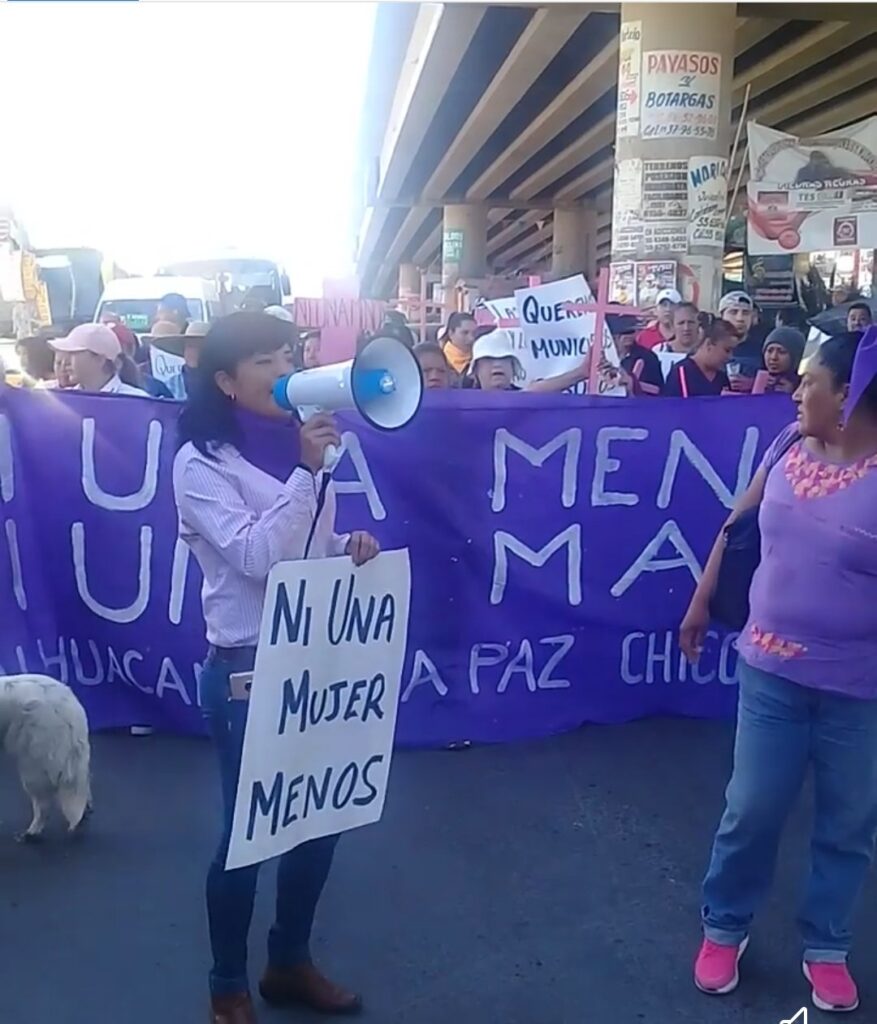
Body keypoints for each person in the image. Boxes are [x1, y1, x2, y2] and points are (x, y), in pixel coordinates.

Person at [173, 312, 379, 1024]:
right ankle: (226, 984)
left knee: (317, 822)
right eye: (263, 359)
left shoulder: (306, 449)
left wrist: (349, 546)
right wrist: (303, 472)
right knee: (246, 835)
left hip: (310, 659)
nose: (282, 366)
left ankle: (289, 962)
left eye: (287, 353)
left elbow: (305, 553)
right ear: (227, 381)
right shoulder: (200, 463)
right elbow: (259, 560)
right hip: (244, 671)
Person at [680, 330, 877, 1014]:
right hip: (769, 675)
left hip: (859, 692)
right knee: (751, 809)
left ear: (848, 397)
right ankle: (722, 926)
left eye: (809, 383)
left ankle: (825, 946)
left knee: (847, 826)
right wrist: (702, 597)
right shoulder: (786, 447)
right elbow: (738, 524)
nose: (795, 392)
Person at [49, 324, 147, 396]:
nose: (66, 362)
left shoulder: (136, 400)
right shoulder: (64, 399)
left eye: (73, 353)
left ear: (100, 359)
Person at [662, 320, 736, 397]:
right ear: (709, 344)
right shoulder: (680, 372)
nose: (730, 356)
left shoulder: (722, 378)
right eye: (727, 350)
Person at [719, 291, 768, 392]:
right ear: (722, 316)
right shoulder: (710, 348)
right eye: (733, 312)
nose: (740, 318)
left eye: (745, 313)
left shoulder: (764, 350)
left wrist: (754, 383)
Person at [150, 321, 211, 400]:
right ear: (183, 351)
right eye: (190, 346)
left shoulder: (223, 383)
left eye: (200, 347)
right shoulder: (170, 385)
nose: (194, 352)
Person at [610, 315, 663, 396]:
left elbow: (658, 392)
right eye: (622, 332)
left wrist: (634, 385)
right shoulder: (600, 357)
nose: (628, 336)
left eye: (631, 331)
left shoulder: (648, 358)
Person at [761, 326, 805, 393]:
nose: (773, 357)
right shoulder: (752, 378)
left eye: (782, 352)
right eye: (770, 351)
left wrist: (793, 392)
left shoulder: (807, 385)